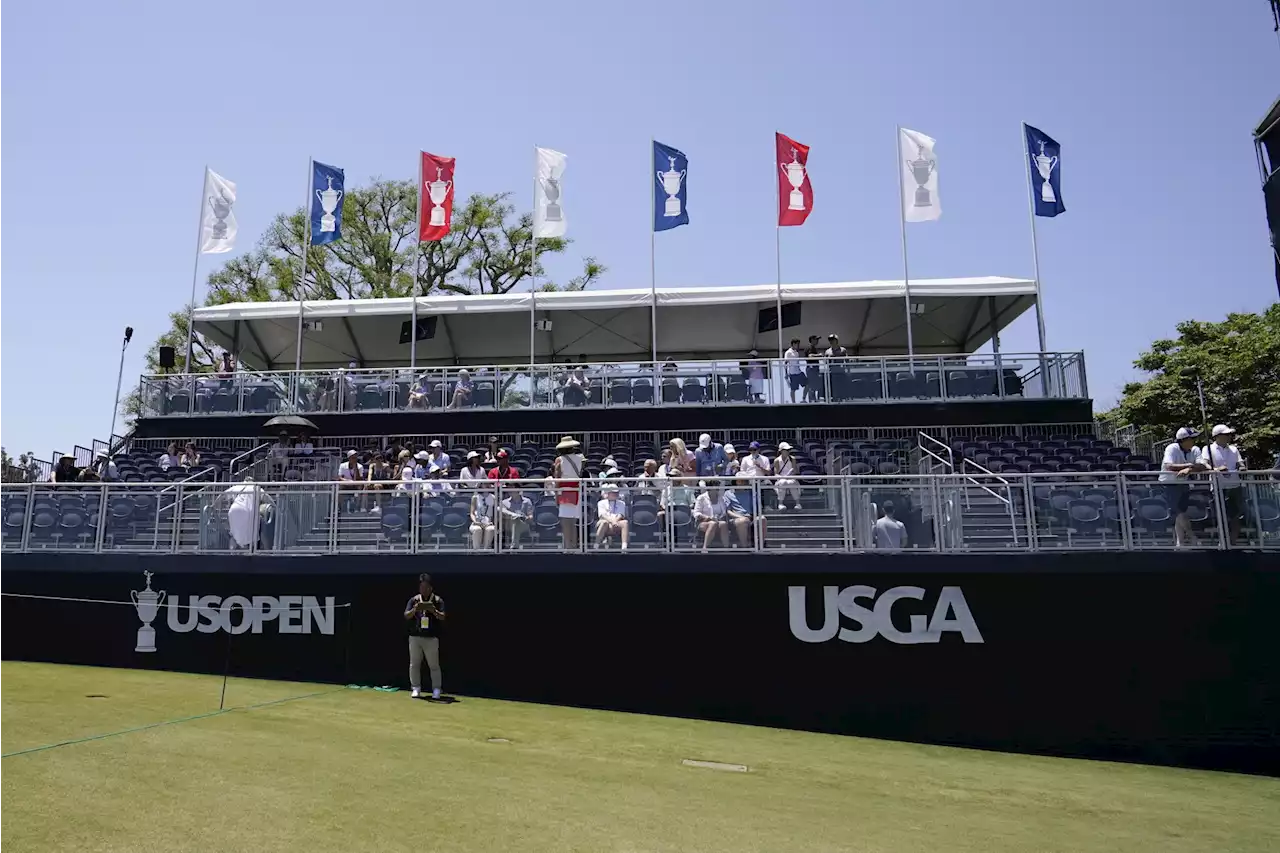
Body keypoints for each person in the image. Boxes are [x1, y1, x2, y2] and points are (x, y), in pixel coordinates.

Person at [1160, 427, 1207, 547]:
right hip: (1169, 484)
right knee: (1179, 512)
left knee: (1180, 513)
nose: (1194, 441)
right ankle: (1192, 536)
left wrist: (1189, 469)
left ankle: (1180, 543)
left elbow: (1202, 466)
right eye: (1192, 438)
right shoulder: (1172, 448)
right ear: (1183, 440)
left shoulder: (1195, 449)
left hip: (1183, 483)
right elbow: (1169, 466)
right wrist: (1190, 465)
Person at [404, 574, 445, 699]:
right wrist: (415, 610)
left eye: (426, 587)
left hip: (431, 638)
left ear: (431, 588)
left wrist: (434, 611)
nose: (423, 589)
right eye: (421, 587)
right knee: (414, 664)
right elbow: (406, 615)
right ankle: (416, 688)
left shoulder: (437, 600)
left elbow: (443, 616)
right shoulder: (414, 600)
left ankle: (436, 689)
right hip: (415, 637)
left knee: (434, 665)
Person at [1204, 424, 1245, 544]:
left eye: (1229, 434)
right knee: (1220, 516)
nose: (1228, 437)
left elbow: (1240, 463)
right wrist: (1216, 469)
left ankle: (1233, 542)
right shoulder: (1208, 449)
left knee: (1235, 515)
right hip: (1218, 487)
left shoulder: (1234, 449)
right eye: (1226, 434)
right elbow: (1205, 464)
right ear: (1217, 436)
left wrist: (1242, 467)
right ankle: (1222, 541)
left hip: (1234, 486)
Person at [553, 436, 585, 550]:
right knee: (573, 522)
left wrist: (556, 495)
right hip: (576, 490)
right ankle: (575, 546)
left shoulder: (559, 460)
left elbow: (557, 479)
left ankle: (567, 547)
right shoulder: (580, 458)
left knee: (565, 522)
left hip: (564, 490)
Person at [223, 477, 269, 550]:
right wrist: (275, 507)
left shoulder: (237, 486)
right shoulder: (256, 487)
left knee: (233, 535)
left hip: (234, 510)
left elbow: (222, 495)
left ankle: (231, 553)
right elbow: (267, 498)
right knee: (251, 535)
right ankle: (249, 553)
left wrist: (213, 504)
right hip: (248, 511)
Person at [693, 480, 731, 551]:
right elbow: (696, 513)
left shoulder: (721, 498)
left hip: (718, 520)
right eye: (714, 487)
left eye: (717, 487)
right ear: (709, 488)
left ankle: (726, 548)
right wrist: (709, 518)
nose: (716, 489)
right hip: (703, 521)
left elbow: (723, 512)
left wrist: (718, 517)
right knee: (712, 523)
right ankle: (705, 548)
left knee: (723, 524)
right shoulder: (701, 498)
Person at [594, 483, 630, 551]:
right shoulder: (601, 503)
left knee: (625, 522)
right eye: (613, 492)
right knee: (604, 522)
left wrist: (615, 521)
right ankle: (596, 546)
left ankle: (624, 547)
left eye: (616, 492)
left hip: (616, 523)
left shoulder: (622, 503)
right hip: (604, 523)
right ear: (608, 493)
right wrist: (613, 521)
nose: (615, 494)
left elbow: (621, 515)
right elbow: (602, 515)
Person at [724, 473, 756, 547]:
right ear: (737, 481)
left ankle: (761, 546)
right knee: (742, 521)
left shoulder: (752, 493)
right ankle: (745, 547)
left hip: (751, 517)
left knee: (762, 519)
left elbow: (757, 509)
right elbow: (728, 511)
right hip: (736, 518)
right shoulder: (728, 493)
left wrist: (752, 516)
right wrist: (740, 517)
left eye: (745, 481)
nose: (744, 483)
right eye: (741, 481)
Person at [667, 438, 696, 507]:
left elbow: (694, 468)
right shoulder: (673, 456)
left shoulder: (689, 454)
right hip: (678, 479)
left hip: (689, 478)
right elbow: (671, 469)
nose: (670, 448)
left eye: (672, 446)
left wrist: (684, 469)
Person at [773, 442, 801, 511]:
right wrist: (783, 477)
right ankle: (780, 503)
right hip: (780, 479)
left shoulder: (792, 459)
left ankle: (798, 503)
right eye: (786, 450)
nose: (788, 451)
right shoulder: (776, 460)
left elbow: (795, 472)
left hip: (791, 478)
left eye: (789, 450)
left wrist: (791, 474)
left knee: (791, 483)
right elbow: (776, 474)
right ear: (781, 451)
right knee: (783, 482)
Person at [784, 338, 807, 403]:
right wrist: (786, 373)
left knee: (807, 384)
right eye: (797, 344)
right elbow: (785, 363)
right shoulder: (788, 352)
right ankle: (793, 402)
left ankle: (803, 399)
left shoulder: (796, 352)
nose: (798, 346)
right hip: (792, 373)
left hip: (798, 372)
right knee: (793, 389)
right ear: (793, 344)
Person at [803, 335, 823, 402]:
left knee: (815, 385)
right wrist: (819, 355)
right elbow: (810, 356)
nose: (817, 341)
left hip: (815, 369)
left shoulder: (814, 348)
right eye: (816, 339)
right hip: (811, 369)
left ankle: (814, 399)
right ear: (812, 340)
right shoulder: (810, 348)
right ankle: (811, 400)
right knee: (812, 385)